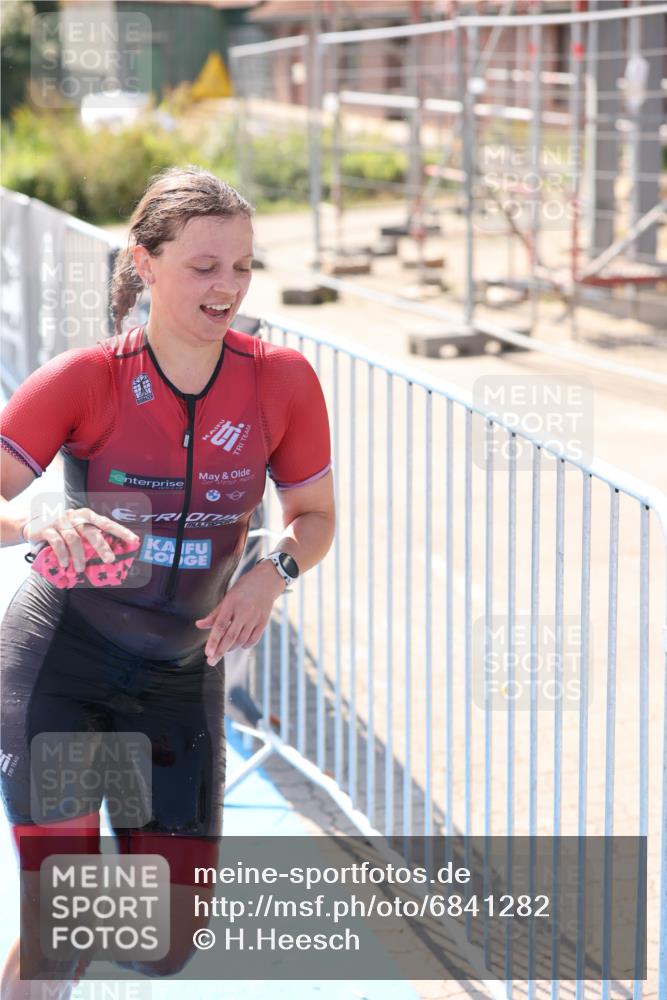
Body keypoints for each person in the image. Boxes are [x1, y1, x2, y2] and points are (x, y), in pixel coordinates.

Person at [0, 165, 335, 998]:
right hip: (61, 666)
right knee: (65, 925)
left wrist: (274, 569)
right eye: (203, 267)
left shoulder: (280, 380)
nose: (228, 288)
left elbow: (315, 517)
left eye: (242, 266)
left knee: (167, 943)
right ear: (145, 266)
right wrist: (39, 522)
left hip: (182, 679)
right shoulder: (90, 378)